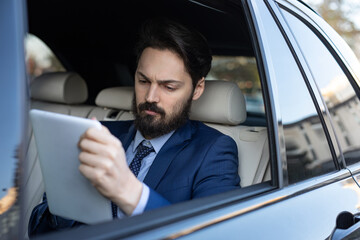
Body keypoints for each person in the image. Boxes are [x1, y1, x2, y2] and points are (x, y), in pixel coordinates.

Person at [28, 18, 240, 236]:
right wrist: (68, 201)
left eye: (168, 86)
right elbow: (38, 226)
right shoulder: (99, 133)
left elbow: (216, 234)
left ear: (197, 89)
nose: (150, 97)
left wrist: (130, 192)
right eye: (143, 81)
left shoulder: (214, 151)